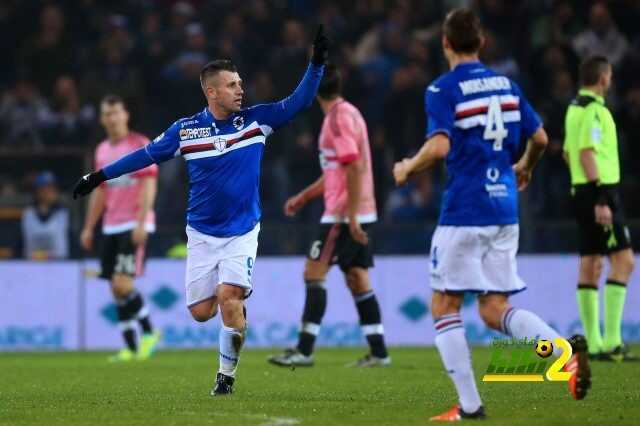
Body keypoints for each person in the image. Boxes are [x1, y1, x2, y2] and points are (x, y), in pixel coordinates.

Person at [73, 27, 329, 396]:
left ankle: (225, 378)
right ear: (211, 92)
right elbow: (143, 156)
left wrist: (316, 64)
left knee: (229, 297)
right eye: (231, 85)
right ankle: (236, 315)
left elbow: (300, 101)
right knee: (200, 312)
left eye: (240, 83)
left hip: (243, 230)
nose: (240, 89)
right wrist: (98, 176)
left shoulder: (256, 121)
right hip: (202, 235)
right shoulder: (187, 130)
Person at [392, 9, 591, 421]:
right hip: (504, 209)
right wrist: (526, 167)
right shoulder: (507, 85)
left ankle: (470, 406)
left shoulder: (442, 89)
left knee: (444, 305)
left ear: (445, 43)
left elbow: (441, 147)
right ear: (481, 43)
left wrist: (407, 167)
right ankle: (562, 353)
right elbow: (540, 138)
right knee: (492, 307)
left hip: (465, 209)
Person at [268, 64, 390, 368]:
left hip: (342, 214)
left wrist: (350, 217)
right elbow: (339, 170)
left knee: (313, 272)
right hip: (357, 208)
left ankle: (304, 350)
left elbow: (353, 167)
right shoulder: (349, 113)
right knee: (357, 278)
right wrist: (305, 196)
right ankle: (379, 353)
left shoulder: (336, 120)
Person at [563, 56, 635, 361]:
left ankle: (593, 344)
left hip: (583, 191)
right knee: (624, 260)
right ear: (604, 78)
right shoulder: (594, 110)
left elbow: (567, 153)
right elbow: (585, 154)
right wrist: (603, 196)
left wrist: (582, 187)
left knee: (592, 262)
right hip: (599, 192)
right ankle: (611, 341)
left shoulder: (573, 108)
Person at [80, 95, 161, 363]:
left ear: (125, 114)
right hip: (111, 225)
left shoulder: (139, 144)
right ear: (102, 119)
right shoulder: (101, 150)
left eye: (116, 112)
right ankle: (130, 347)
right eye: (107, 114)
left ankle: (150, 332)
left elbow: (149, 184)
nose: (112, 118)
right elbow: (100, 192)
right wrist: (89, 227)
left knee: (122, 283)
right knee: (115, 289)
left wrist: (141, 222)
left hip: (133, 223)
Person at [21, 171, 69, 260]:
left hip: (60, 265)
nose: (50, 192)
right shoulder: (28, 214)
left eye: (53, 189)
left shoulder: (63, 213)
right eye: (46, 189)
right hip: (30, 265)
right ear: (37, 192)